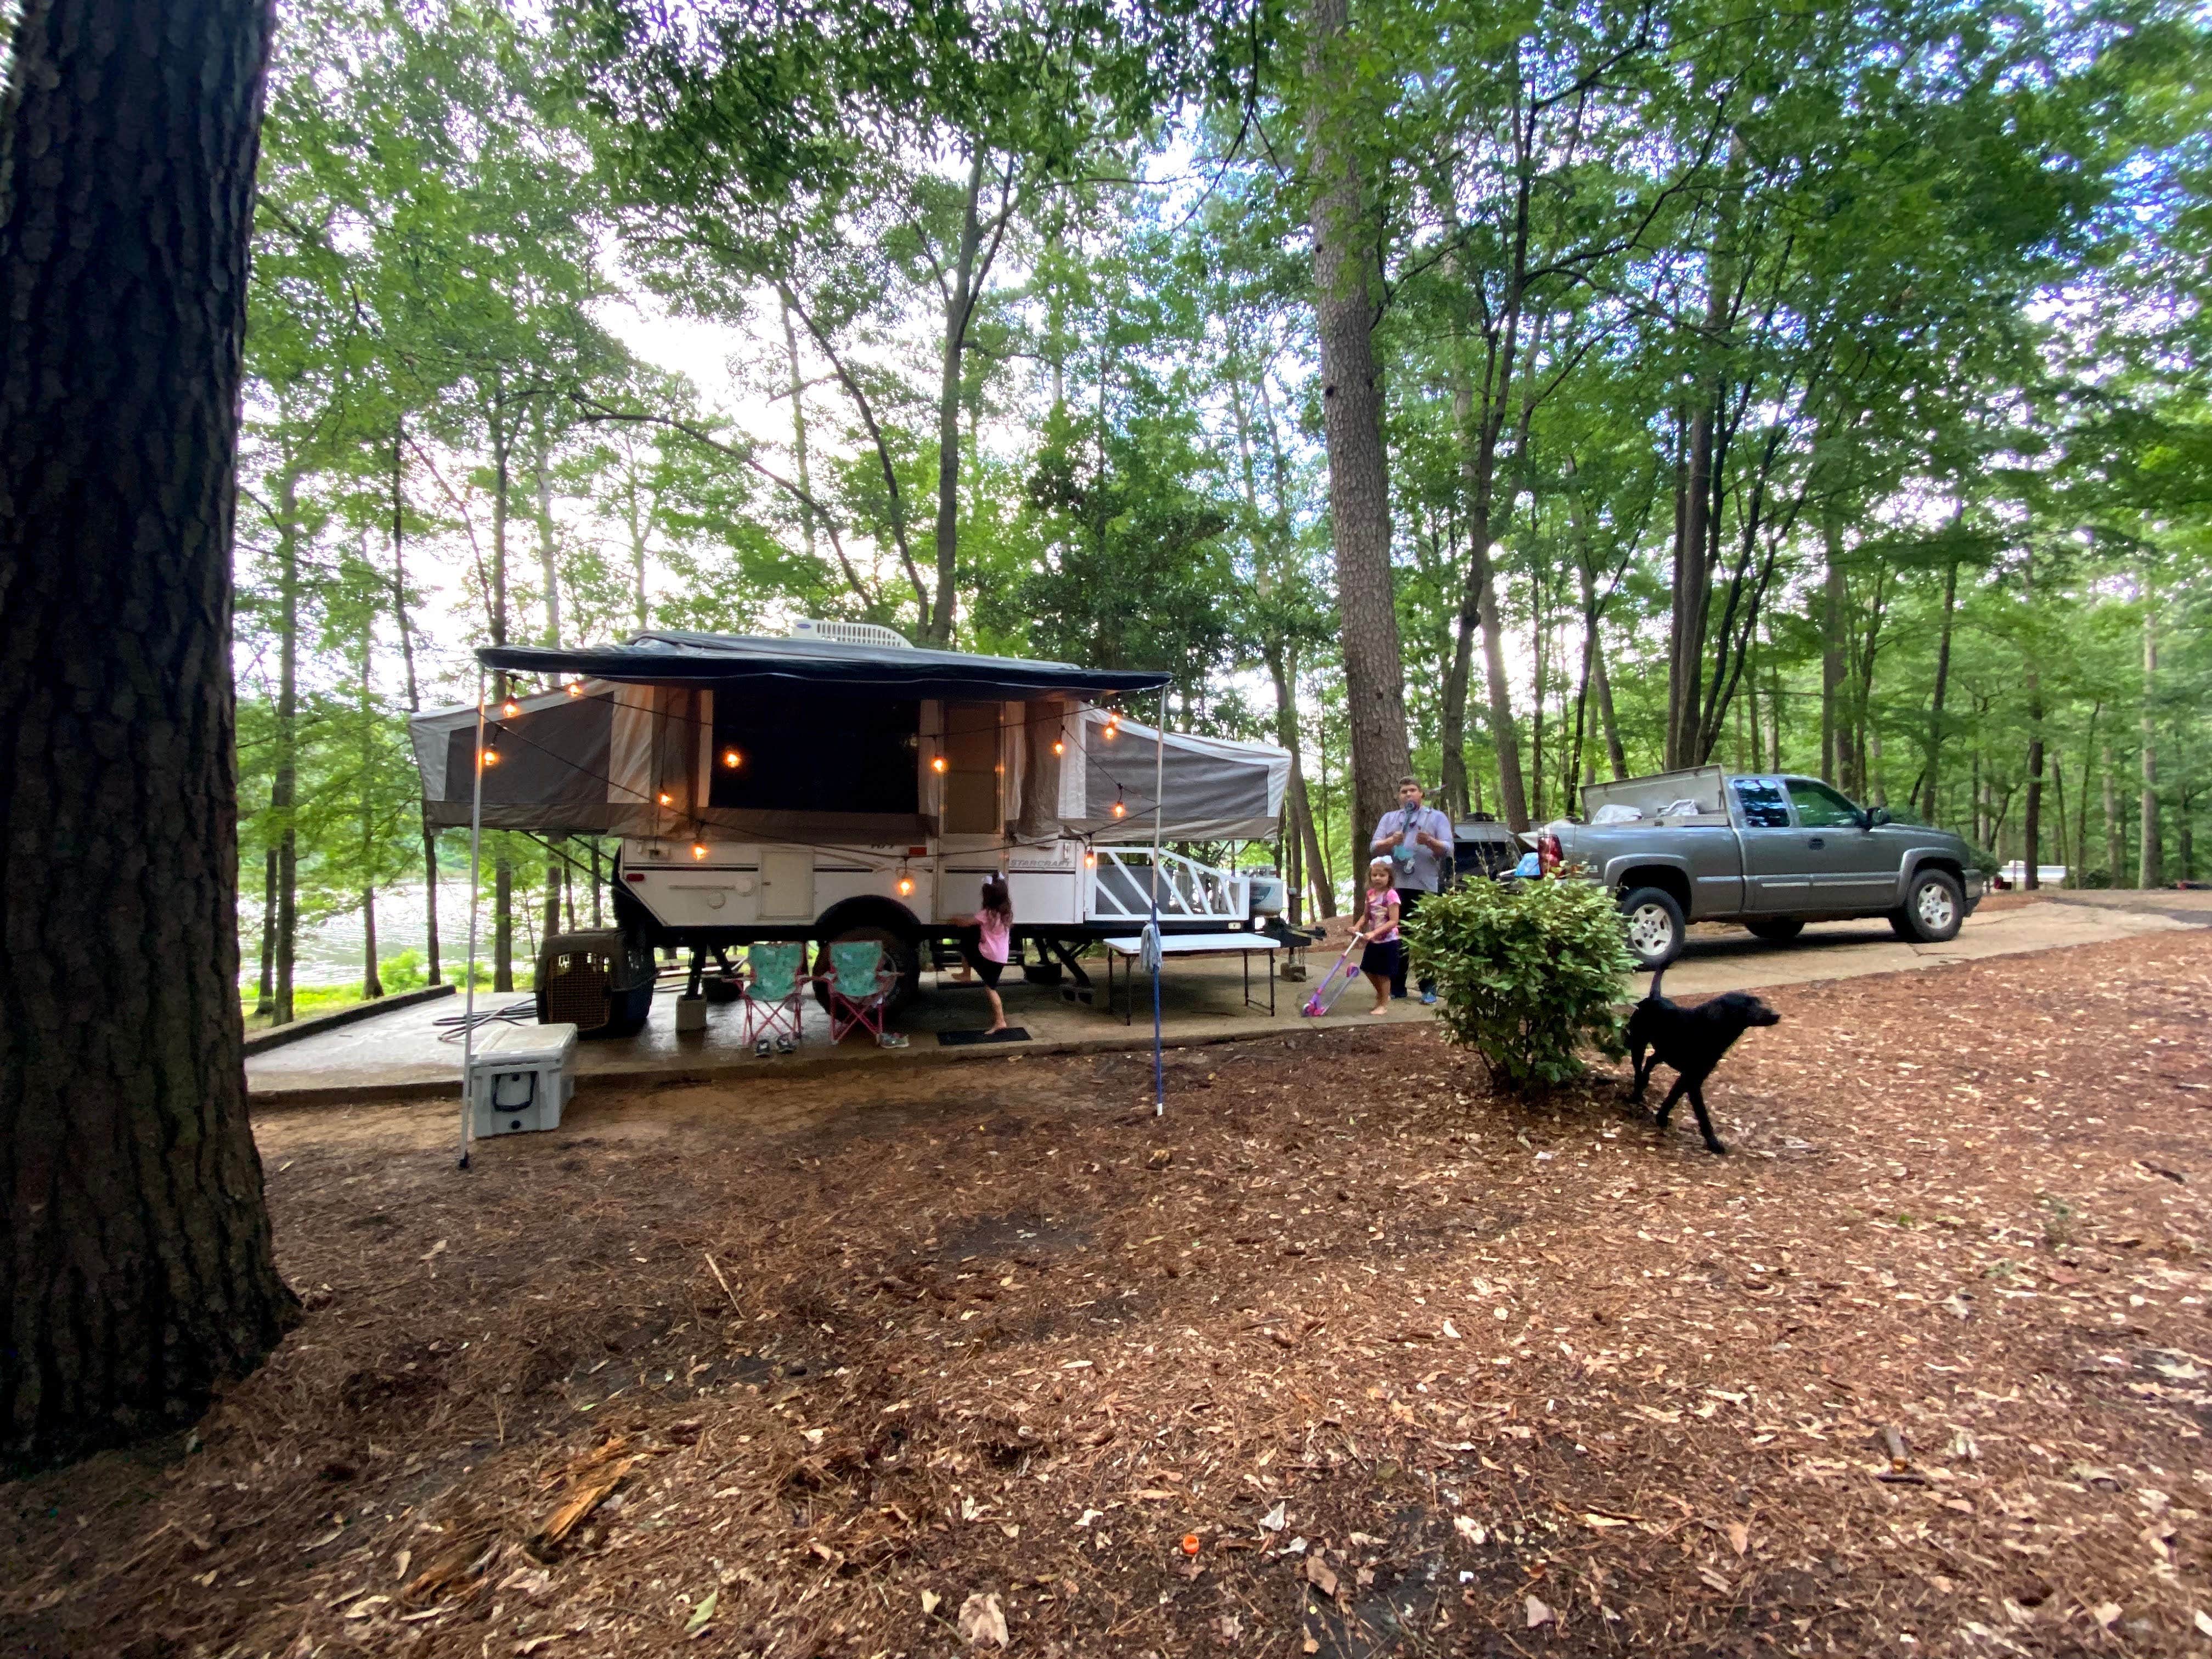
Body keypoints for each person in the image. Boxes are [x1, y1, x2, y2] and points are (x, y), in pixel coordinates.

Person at [1369, 776, 1453, 1002]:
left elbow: (1448, 848)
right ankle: (1398, 986)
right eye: (1404, 791)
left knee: (1425, 938)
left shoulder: (1436, 817)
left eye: (1413, 790)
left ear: (1421, 794)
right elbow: (1374, 847)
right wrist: (1390, 842)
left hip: (1425, 886)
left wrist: (1431, 842)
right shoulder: (1390, 819)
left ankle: (1428, 988)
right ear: (1399, 796)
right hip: (1396, 890)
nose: (1408, 795)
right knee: (1397, 936)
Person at [945, 876, 1014, 1035]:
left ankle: (1000, 1021)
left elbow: (966, 923)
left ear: (987, 897)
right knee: (990, 986)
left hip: (988, 956)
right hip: (1001, 957)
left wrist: (954, 919)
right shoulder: (1007, 914)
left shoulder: (986, 914)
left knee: (966, 941)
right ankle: (966, 974)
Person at [1353, 859, 1402, 1017]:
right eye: (1375, 875)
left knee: (1383, 973)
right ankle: (1382, 995)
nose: (1378, 878)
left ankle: (1383, 1004)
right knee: (1368, 969)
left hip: (1388, 941)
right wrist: (1357, 926)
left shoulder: (1391, 895)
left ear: (1389, 877)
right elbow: (1366, 915)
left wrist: (1374, 933)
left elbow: (1394, 921)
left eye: (1382, 875)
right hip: (1374, 941)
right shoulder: (1371, 894)